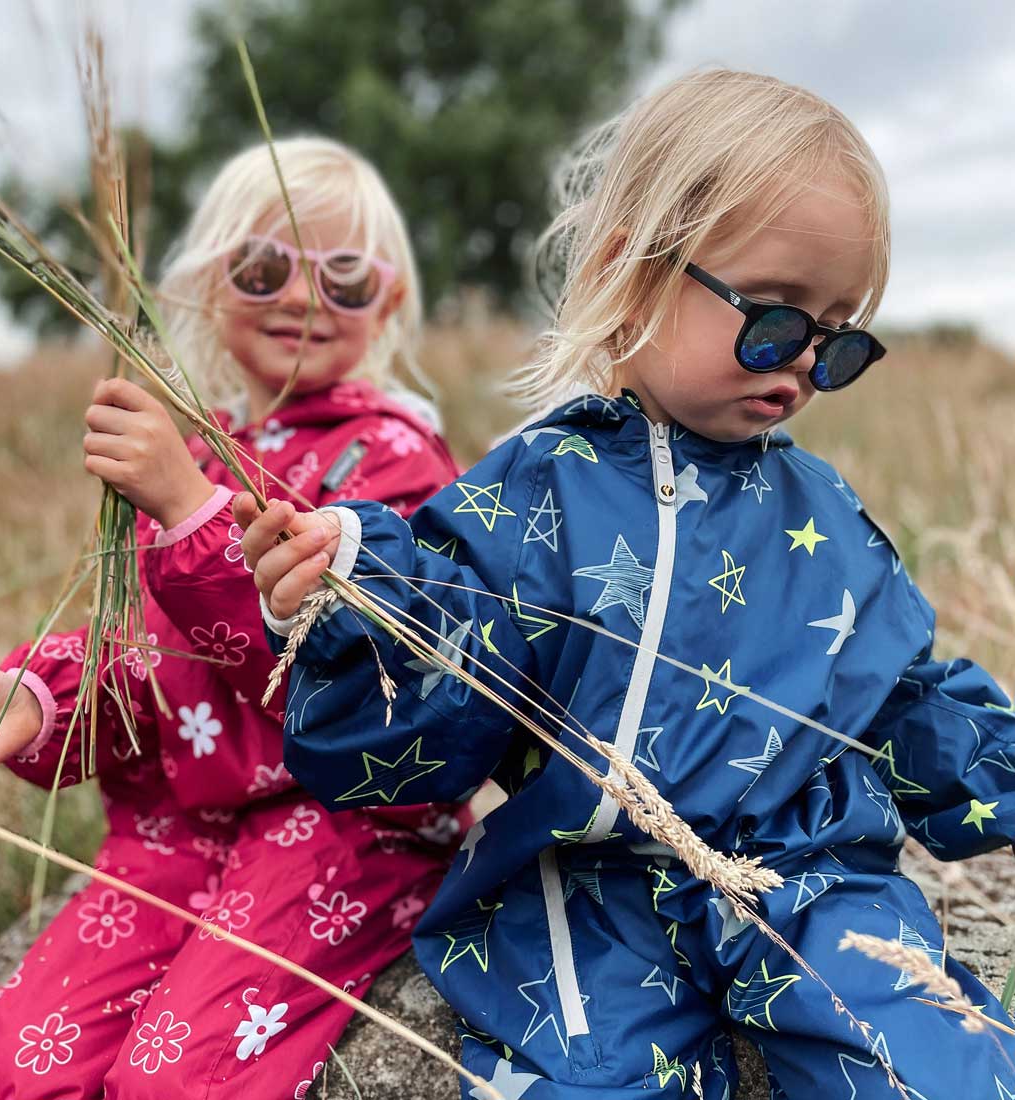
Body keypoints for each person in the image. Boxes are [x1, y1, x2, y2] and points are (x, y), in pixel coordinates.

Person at [237, 71, 1015, 1098]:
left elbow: (896, 699)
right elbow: (425, 716)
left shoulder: (820, 509)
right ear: (632, 269)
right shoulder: (534, 490)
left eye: (836, 342)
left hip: (809, 866)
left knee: (937, 1061)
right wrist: (354, 601)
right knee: (590, 1079)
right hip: (589, 888)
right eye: (774, 322)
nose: (798, 366)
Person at [0, 135, 463, 1099]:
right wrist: (44, 704)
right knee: (18, 1060)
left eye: (342, 276)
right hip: (183, 823)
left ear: (391, 302)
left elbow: (332, 669)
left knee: (175, 1077)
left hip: (340, 821)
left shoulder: (397, 462)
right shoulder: (200, 445)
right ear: (213, 285)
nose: (301, 297)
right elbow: (151, 667)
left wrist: (188, 510)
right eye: (263, 269)